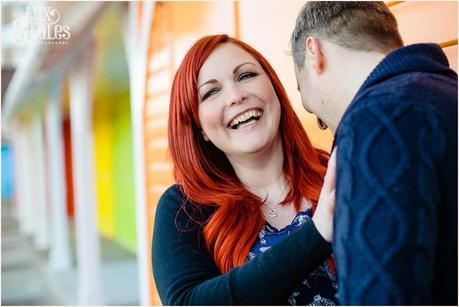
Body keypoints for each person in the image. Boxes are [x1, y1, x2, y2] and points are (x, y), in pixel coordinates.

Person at [291, 1, 458, 305]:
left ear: (314, 52)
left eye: (317, 115)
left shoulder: (376, 119)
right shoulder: (444, 95)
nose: (331, 135)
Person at [152, 34, 338, 305]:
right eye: (211, 92)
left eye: (246, 75)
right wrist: (317, 234)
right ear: (200, 127)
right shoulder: (183, 208)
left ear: (274, 87)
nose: (236, 96)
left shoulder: (334, 174)